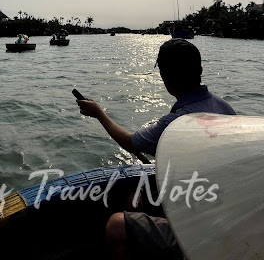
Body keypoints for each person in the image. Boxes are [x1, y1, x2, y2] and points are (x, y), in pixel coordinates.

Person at [75, 38, 236, 260]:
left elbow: (130, 143)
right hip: (225, 208)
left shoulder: (178, 121)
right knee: (134, 199)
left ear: (164, 76)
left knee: (115, 225)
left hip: (205, 232)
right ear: (199, 70)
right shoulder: (224, 107)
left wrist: (99, 113)